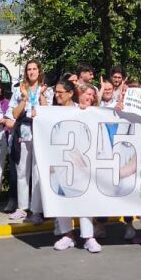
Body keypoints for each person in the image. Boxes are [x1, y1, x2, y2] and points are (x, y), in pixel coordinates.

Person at [49, 81, 103, 254]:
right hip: (60, 165)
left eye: (60, 92)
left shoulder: (83, 110)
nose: (57, 95)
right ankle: (68, 235)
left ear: (71, 93)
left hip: (81, 166)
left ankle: (88, 237)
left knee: (84, 200)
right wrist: (37, 115)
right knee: (61, 200)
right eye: (56, 92)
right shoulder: (51, 112)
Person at [3, 60, 47, 224]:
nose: (32, 72)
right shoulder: (19, 90)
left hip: (40, 134)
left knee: (37, 172)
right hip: (23, 132)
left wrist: (41, 96)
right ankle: (22, 207)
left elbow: (48, 111)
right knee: (22, 171)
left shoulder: (45, 89)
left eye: (34, 69)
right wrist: (24, 99)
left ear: (39, 71)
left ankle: (37, 210)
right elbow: (14, 114)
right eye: (29, 69)